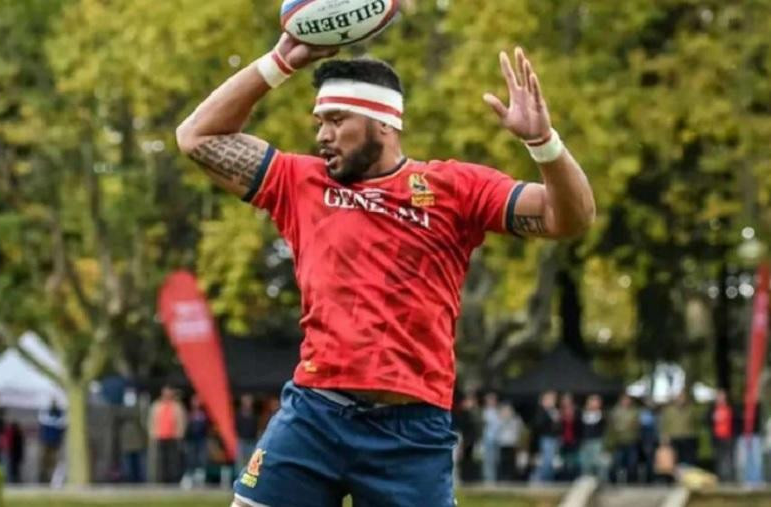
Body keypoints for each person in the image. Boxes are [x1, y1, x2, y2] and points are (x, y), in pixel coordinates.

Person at [176, 31, 595, 506]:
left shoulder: (453, 187)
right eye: (319, 121)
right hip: (314, 416)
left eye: (336, 120)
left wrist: (544, 145)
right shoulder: (299, 182)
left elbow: (571, 218)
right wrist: (278, 62)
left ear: (383, 124)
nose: (322, 136)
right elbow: (196, 136)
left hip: (411, 434)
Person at [148, 386, 186, 484]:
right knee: (161, 460)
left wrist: (180, 433)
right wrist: (152, 433)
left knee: (173, 460)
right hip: (160, 436)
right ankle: (161, 479)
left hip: (173, 436)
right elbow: (152, 420)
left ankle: (173, 479)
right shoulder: (157, 405)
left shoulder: (177, 406)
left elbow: (181, 421)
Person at [659, 392, 698, 466]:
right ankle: (675, 475)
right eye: (679, 398)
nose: (681, 400)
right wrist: (664, 436)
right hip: (674, 437)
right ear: (676, 399)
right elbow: (665, 424)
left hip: (688, 437)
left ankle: (688, 475)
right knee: (675, 459)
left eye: (683, 398)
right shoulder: (669, 410)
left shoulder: (690, 409)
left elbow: (695, 423)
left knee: (689, 459)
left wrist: (694, 435)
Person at [608, 394, 639, 484]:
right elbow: (612, 426)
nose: (626, 402)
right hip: (618, 441)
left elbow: (635, 424)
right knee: (616, 463)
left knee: (632, 463)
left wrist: (623, 426)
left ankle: (631, 482)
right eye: (624, 400)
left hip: (631, 441)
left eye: (628, 400)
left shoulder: (634, 411)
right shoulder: (615, 411)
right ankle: (613, 482)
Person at [531, 391, 561, 482]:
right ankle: (539, 480)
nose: (552, 401)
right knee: (546, 461)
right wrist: (550, 418)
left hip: (554, 438)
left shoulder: (554, 411)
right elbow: (538, 425)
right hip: (546, 438)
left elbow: (558, 426)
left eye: (553, 399)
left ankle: (548, 480)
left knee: (551, 461)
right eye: (549, 399)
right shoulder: (541, 411)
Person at [708, 389, 735, 482]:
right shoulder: (712, 409)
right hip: (716, 437)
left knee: (728, 458)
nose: (720, 398)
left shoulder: (729, 408)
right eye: (719, 396)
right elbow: (707, 421)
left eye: (722, 396)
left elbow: (734, 421)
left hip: (728, 437)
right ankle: (719, 477)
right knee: (718, 458)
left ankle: (729, 477)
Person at [38, 400, 67, 483]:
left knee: (53, 460)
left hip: (53, 442)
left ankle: (51, 477)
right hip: (49, 441)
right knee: (46, 461)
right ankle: (45, 477)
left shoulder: (57, 415)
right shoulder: (51, 415)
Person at [183, 397, 209, 488]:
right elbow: (186, 428)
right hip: (191, 440)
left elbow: (207, 428)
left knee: (201, 459)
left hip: (201, 440)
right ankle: (188, 478)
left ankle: (200, 479)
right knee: (190, 459)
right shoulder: (189, 414)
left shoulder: (204, 415)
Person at [579, 395, 606, 479]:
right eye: (591, 401)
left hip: (597, 441)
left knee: (598, 463)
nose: (593, 404)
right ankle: (587, 481)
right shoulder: (583, 415)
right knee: (585, 463)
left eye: (595, 402)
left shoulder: (602, 415)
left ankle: (601, 481)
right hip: (585, 441)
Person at [495, 403, 523, 482]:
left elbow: (518, 430)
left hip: (512, 444)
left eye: (508, 411)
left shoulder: (515, 420)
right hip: (502, 444)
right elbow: (496, 432)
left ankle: (511, 478)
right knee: (502, 461)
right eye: (505, 411)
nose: (506, 413)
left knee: (512, 462)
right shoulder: (499, 420)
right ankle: (502, 478)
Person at [559, 393, 581, 480]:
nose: (566, 402)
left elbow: (580, 427)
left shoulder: (577, 411)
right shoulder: (559, 413)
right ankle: (565, 479)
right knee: (565, 461)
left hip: (574, 440)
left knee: (575, 461)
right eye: (564, 400)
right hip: (563, 441)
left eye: (567, 400)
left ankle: (575, 478)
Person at [234, 394, 258, 476]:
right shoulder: (238, 415)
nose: (248, 403)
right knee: (240, 462)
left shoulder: (254, 415)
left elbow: (256, 427)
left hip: (252, 441)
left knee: (251, 461)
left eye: (249, 401)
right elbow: (236, 426)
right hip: (242, 440)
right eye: (246, 401)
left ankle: (248, 478)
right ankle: (239, 478)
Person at [481, 393, 501, 482]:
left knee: (496, 458)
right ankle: (488, 478)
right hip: (488, 438)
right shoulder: (484, 412)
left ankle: (494, 477)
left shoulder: (498, 411)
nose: (492, 402)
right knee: (488, 459)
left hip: (497, 438)